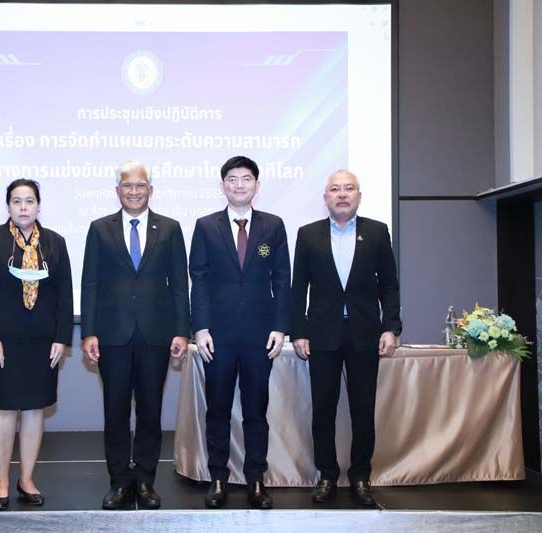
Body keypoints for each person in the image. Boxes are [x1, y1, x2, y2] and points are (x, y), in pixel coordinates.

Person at [81, 160, 190, 510]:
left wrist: (182, 331)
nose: (133, 191)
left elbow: (179, 285)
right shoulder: (100, 229)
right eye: (127, 185)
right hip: (112, 335)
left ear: (150, 190)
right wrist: (88, 332)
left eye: (140, 185)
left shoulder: (170, 229)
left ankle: (145, 481)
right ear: (117, 191)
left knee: (150, 410)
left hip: (156, 335)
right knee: (114, 411)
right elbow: (90, 283)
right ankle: (119, 482)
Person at [291, 170, 401, 507]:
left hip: (365, 334)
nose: (342, 194)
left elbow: (389, 285)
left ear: (359, 195)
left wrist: (391, 327)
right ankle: (326, 475)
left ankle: (360, 476)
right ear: (326, 197)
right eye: (335, 189)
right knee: (323, 409)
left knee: (362, 409)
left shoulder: (377, 232)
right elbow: (298, 288)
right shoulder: (308, 234)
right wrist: (299, 331)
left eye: (349, 188)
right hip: (321, 335)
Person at [189, 155, 291, 509]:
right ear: (223, 186)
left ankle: (256, 480)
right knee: (217, 410)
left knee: (255, 411)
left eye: (246, 178)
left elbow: (282, 279)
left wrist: (280, 326)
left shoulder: (273, 226)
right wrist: (200, 327)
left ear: (256, 185)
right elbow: (199, 279)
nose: (239, 185)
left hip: (260, 336)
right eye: (232, 179)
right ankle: (218, 478)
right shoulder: (206, 226)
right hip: (217, 336)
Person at [0, 179, 73, 511]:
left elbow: (65, 294)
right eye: (17, 201)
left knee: (33, 411)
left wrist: (62, 337)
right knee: (3, 411)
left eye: (29, 201)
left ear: (39, 206)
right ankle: (1, 481)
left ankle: (26, 479)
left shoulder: (55, 242)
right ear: (8, 206)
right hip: (2, 342)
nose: (23, 207)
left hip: (42, 343)